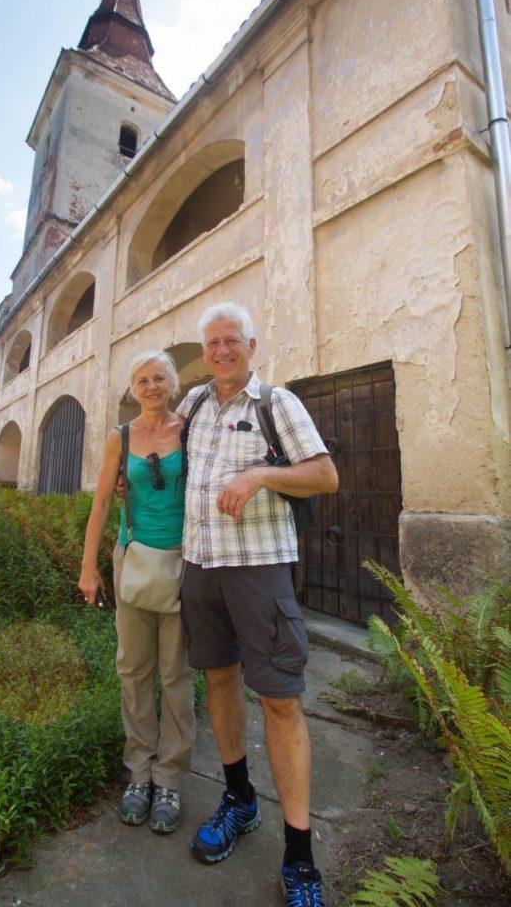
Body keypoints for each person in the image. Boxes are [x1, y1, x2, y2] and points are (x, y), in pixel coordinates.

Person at [177, 302, 338, 907]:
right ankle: (240, 800)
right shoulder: (193, 405)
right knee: (219, 681)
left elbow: (325, 475)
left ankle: (300, 856)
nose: (221, 351)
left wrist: (261, 477)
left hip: (260, 572)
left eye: (231, 341)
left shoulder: (277, 404)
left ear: (251, 344)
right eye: (212, 343)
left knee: (279, 701)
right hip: (201, 568)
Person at [78, 350, 195, 834]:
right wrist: (89, 567)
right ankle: (139, 773)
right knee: (133, 668)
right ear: (133, 388)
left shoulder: (190, 430)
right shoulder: (120, 437)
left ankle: (169, 777)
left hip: (185, 564)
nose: (151, 386)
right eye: (143, 380)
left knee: (176, 673)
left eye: (160, 378)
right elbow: (102, 500)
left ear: (173, 383)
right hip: (133, 561)